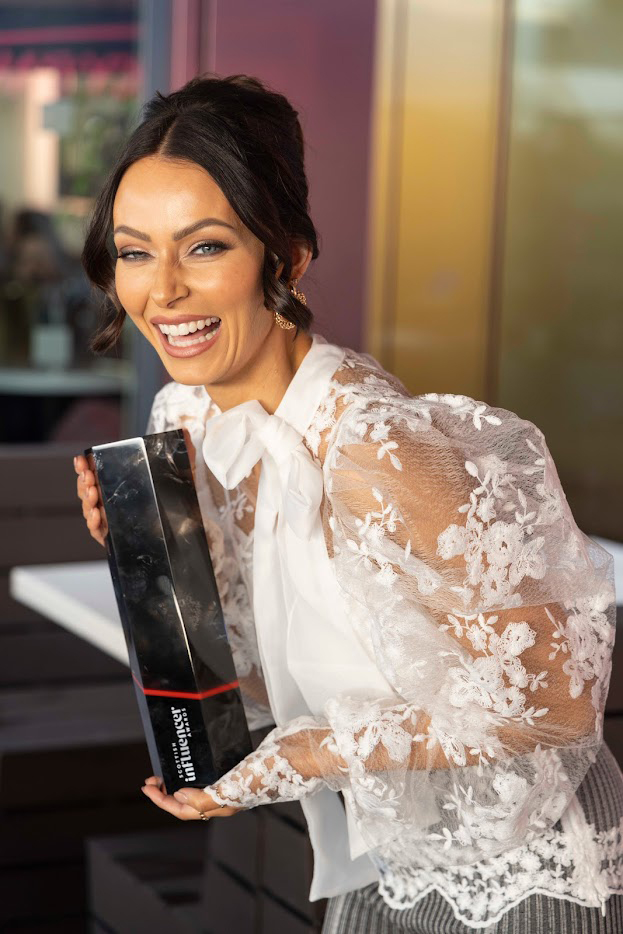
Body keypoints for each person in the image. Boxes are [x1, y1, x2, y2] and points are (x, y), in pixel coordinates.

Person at [73, 74, 623, 932]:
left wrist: (296, 760)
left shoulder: (374, 447)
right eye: (135, 252)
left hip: (519, 876)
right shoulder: (187, 416)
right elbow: (265, 662)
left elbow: (552, 702)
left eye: (205, 247)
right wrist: (151, 558)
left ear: (287, 259)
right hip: (378, 849)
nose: (162, 290)